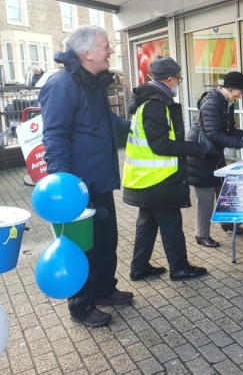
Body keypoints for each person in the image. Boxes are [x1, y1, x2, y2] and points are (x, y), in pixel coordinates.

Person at [40, 25, 133, 328]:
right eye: (106, 46)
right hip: (77, 188)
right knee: (83, 249)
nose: (111, 51)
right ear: (88, 53)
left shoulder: (93, 83)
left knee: (107, 241)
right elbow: (54, 134)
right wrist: (63, 184)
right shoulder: (62, 84)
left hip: (100, 181)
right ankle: (81, 305)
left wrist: (136, 122)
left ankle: (105, 289)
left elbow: (106, 122)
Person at [123, 56, 208, 282]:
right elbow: (160, 145)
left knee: (147, 224)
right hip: (158, 179)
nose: (179, 82)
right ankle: (180, 268)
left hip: (144, 179)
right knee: (171, 224)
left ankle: (139, 267)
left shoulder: (148, 101)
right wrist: (193, 148)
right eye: (178, 78)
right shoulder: (156, 104)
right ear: (169, 79)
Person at [186, 72, 243, 246]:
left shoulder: (227, 102)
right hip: (200, 153)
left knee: (225, 190)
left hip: (213, 153)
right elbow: (214, 134)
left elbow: (229, 130)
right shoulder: (212, 104)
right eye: (239, 92)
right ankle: (201, 235)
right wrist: (242, 144)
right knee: (205, 197)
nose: (240, 97)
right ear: (229, 88)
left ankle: (227, 223)